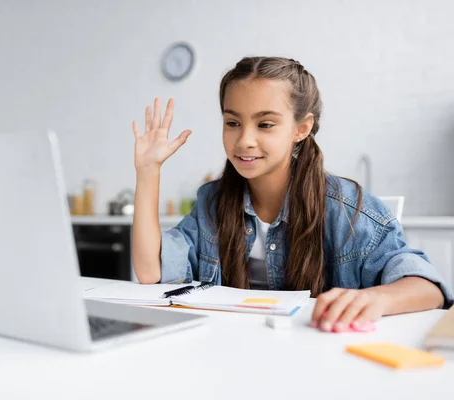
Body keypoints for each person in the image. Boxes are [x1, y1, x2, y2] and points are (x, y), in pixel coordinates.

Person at [130, 56, 453, 333]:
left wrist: (375, 299)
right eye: (232, 122)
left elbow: (429, 288)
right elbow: (150, 271)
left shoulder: (347, 209)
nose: (244, 140)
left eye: (265, 124)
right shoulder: (212, 203)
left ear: (302, 128)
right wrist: (148, 171)